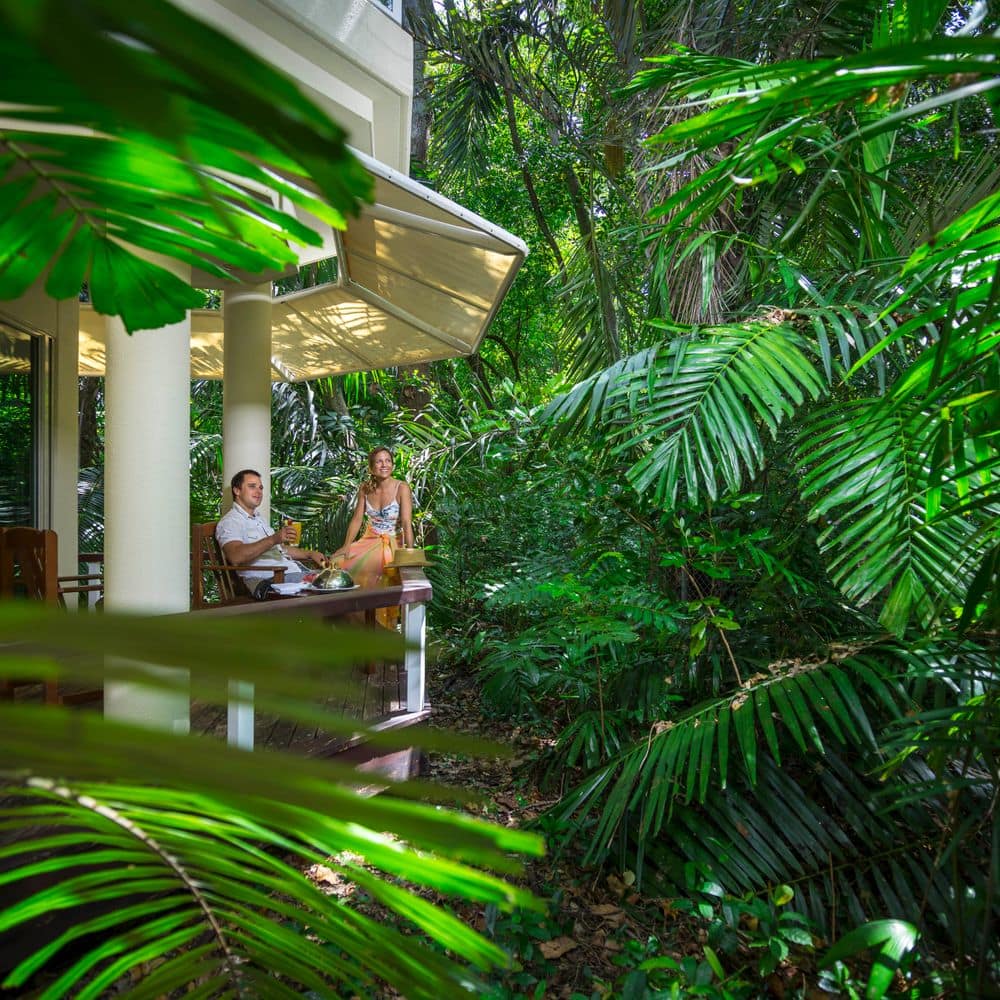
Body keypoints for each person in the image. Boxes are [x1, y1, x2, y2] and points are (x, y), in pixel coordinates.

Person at [216, 469, 326, 589]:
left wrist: (309, 554)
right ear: (237, 490)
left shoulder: (258, 519)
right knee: (329, 582)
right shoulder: (231, 521)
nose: (259, 492)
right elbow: (235, 556)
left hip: (290, 573)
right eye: (252, 486)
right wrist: (273, 539)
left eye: (261, 488)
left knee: (338, 576)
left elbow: (278, 549)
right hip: (270, 580)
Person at [332, 447, 414, 597]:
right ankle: (358, 615)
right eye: (379, 462)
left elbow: (407, 523)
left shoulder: (402, 488)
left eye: (388, 461)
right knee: (337, 562)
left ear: (393, 465)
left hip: (393, 542)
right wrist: (346, 546)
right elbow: (357, 519)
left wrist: (410, 552)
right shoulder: (365, 488)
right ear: (371, 468)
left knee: (380, 572)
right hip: (369, 540)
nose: (384, 465)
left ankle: (381, 617)